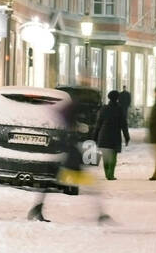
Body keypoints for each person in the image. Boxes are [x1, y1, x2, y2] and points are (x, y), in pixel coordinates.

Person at [27, 94, 111, 224]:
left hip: (70, 155)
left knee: (56, 182)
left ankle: (37, 208)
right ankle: (100, 214)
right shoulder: (70, 120)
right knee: (83, 184)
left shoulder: (68, 121)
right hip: (71, 157)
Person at [95, 90, 130, 180]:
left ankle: (107, 174)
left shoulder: (104, 108)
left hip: (104, 135)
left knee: (106, 156)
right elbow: (124, 124)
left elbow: (98, 123)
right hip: (115, 135)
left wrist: (95, 135)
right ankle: (111, 174)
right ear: (117, 98)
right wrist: (126, 136)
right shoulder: (119, 109)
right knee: (113, 156)